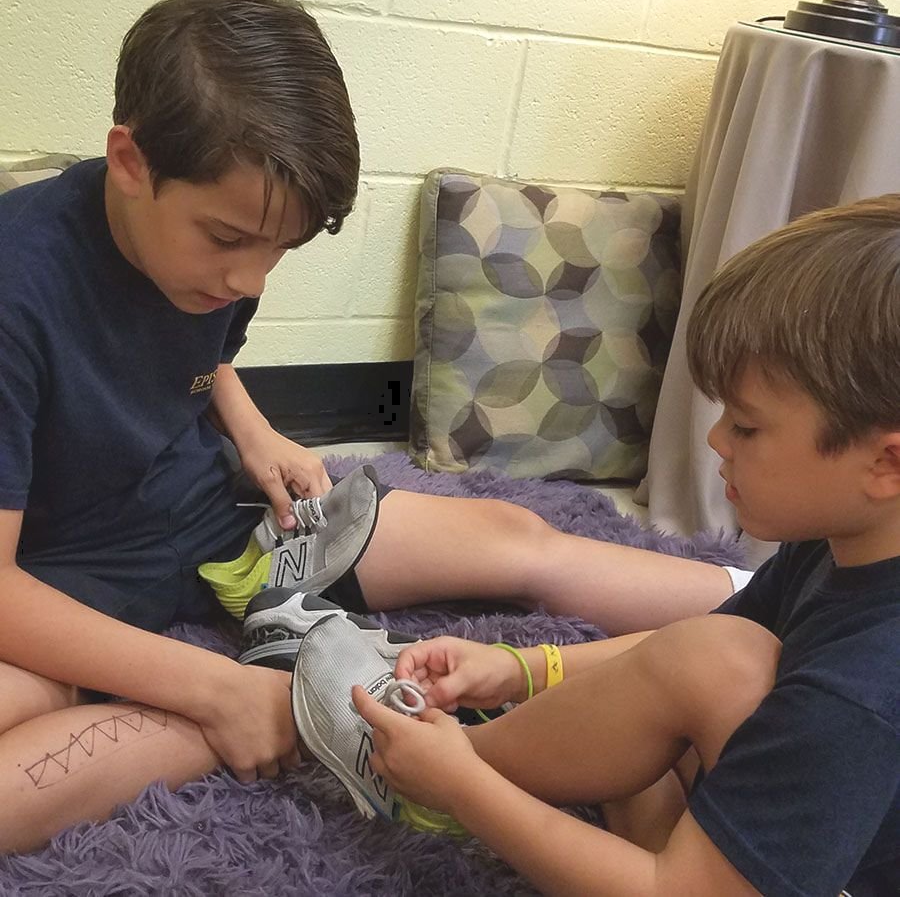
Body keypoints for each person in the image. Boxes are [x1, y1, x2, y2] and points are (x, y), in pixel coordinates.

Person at [0, 0, 747, 854]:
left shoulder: (205, 265)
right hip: (64, 584)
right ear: (129, 161)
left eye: (278, 251)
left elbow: (182, 353)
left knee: (512, 535)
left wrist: (251, 430)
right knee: (46, 731)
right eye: (229, 239)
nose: (251, 281)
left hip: (217, 525)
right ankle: (266, 700)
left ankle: (765, 603)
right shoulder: (17, 287)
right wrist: (208, 689)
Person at [320, 199, 900, 896]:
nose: (715, 442)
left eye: (746, 428)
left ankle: (440, 774)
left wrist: (464, 787)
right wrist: (521, 667)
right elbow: (699, 647)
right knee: (710, 663)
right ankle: (461, 759)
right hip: (830, 811)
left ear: (887, 464)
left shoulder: (859, 693)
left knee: (650, 749)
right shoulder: (842, 542)